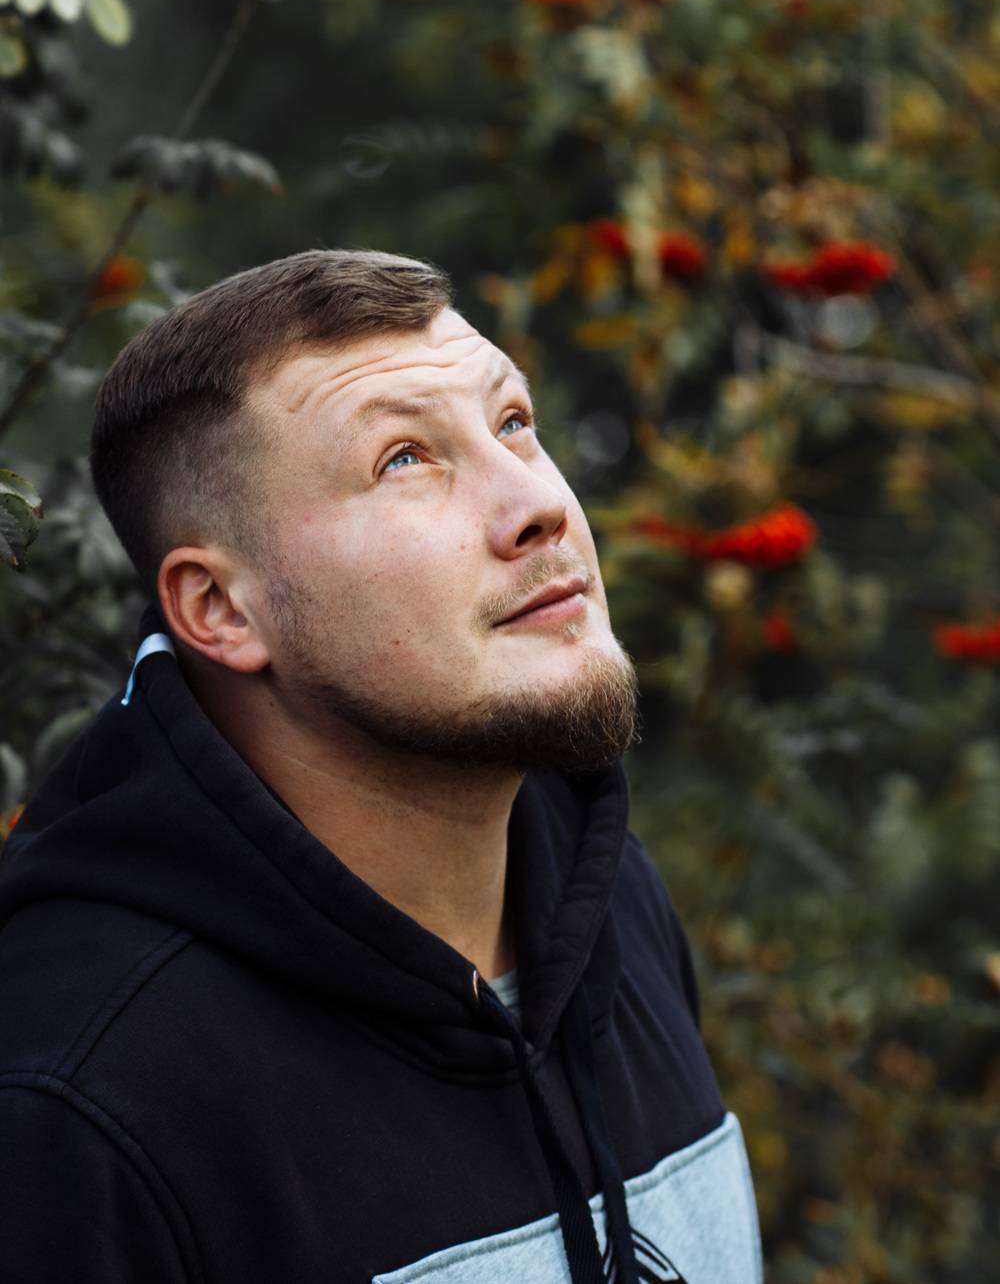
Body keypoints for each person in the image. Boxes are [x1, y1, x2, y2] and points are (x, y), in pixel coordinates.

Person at [0, 249, 762, 1284]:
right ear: (220, 610)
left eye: (512, 423)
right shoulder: (78, 1104)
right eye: (404, 459)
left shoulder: (611, 899)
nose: (538, 505)